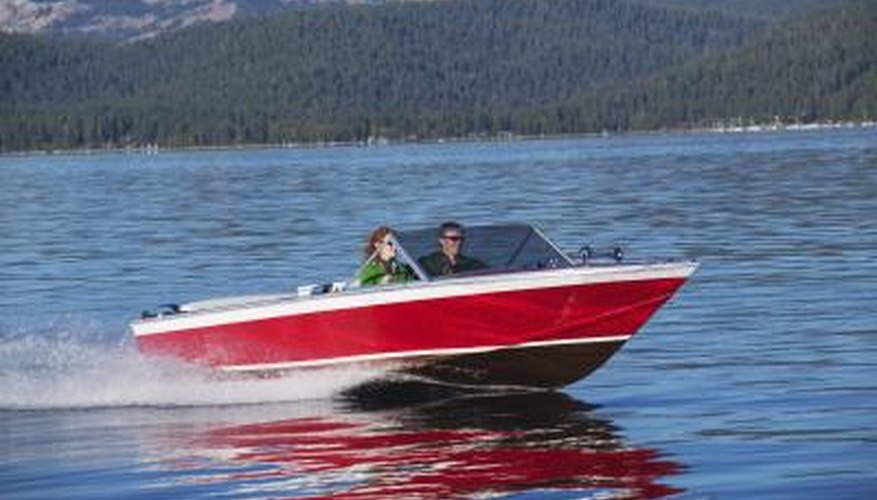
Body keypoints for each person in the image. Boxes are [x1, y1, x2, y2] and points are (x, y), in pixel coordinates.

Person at [418, 221, 487, 277]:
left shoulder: (472, 264)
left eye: (461, 239)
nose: (459, 243)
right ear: (441, 240)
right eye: (454, 239)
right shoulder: (425, 263)